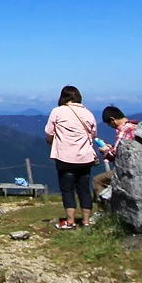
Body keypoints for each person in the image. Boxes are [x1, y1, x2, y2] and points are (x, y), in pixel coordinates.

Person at [44, 85, 100, 229]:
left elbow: (49, 132)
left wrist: (53, 142)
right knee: (84, 189)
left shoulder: (57, 111)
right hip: (85, 158)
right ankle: (86, 222)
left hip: (65, 158)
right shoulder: (88, 113)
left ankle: (70, 222)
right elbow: (93, 135)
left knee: (68, 190)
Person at [93, 106, 139, 205]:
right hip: (137, 166)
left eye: (110, 124)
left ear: (112, 120)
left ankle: (103, 211)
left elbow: (116, 154)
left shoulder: (124, 130)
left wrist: (105, 150)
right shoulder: (135, 126)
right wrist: (111, 148)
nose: (111, 126)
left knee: (97, 181)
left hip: (127, 169)